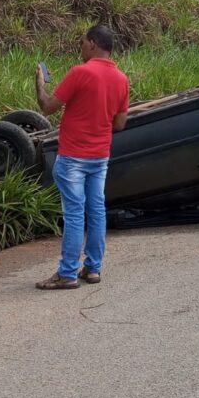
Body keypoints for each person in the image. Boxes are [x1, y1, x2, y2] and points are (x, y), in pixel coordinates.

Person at [33, 25, 130, 289]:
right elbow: (120, 123)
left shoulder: (80, 72)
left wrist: (40, 83)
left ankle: (67, 273)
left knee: (75, 214)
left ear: (92, 43)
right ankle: (93, 269)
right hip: (100, 157)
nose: (81, 48)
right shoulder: (121, 79)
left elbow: (47, 106)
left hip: (74, 155)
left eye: (82, 43)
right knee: (97, 211)